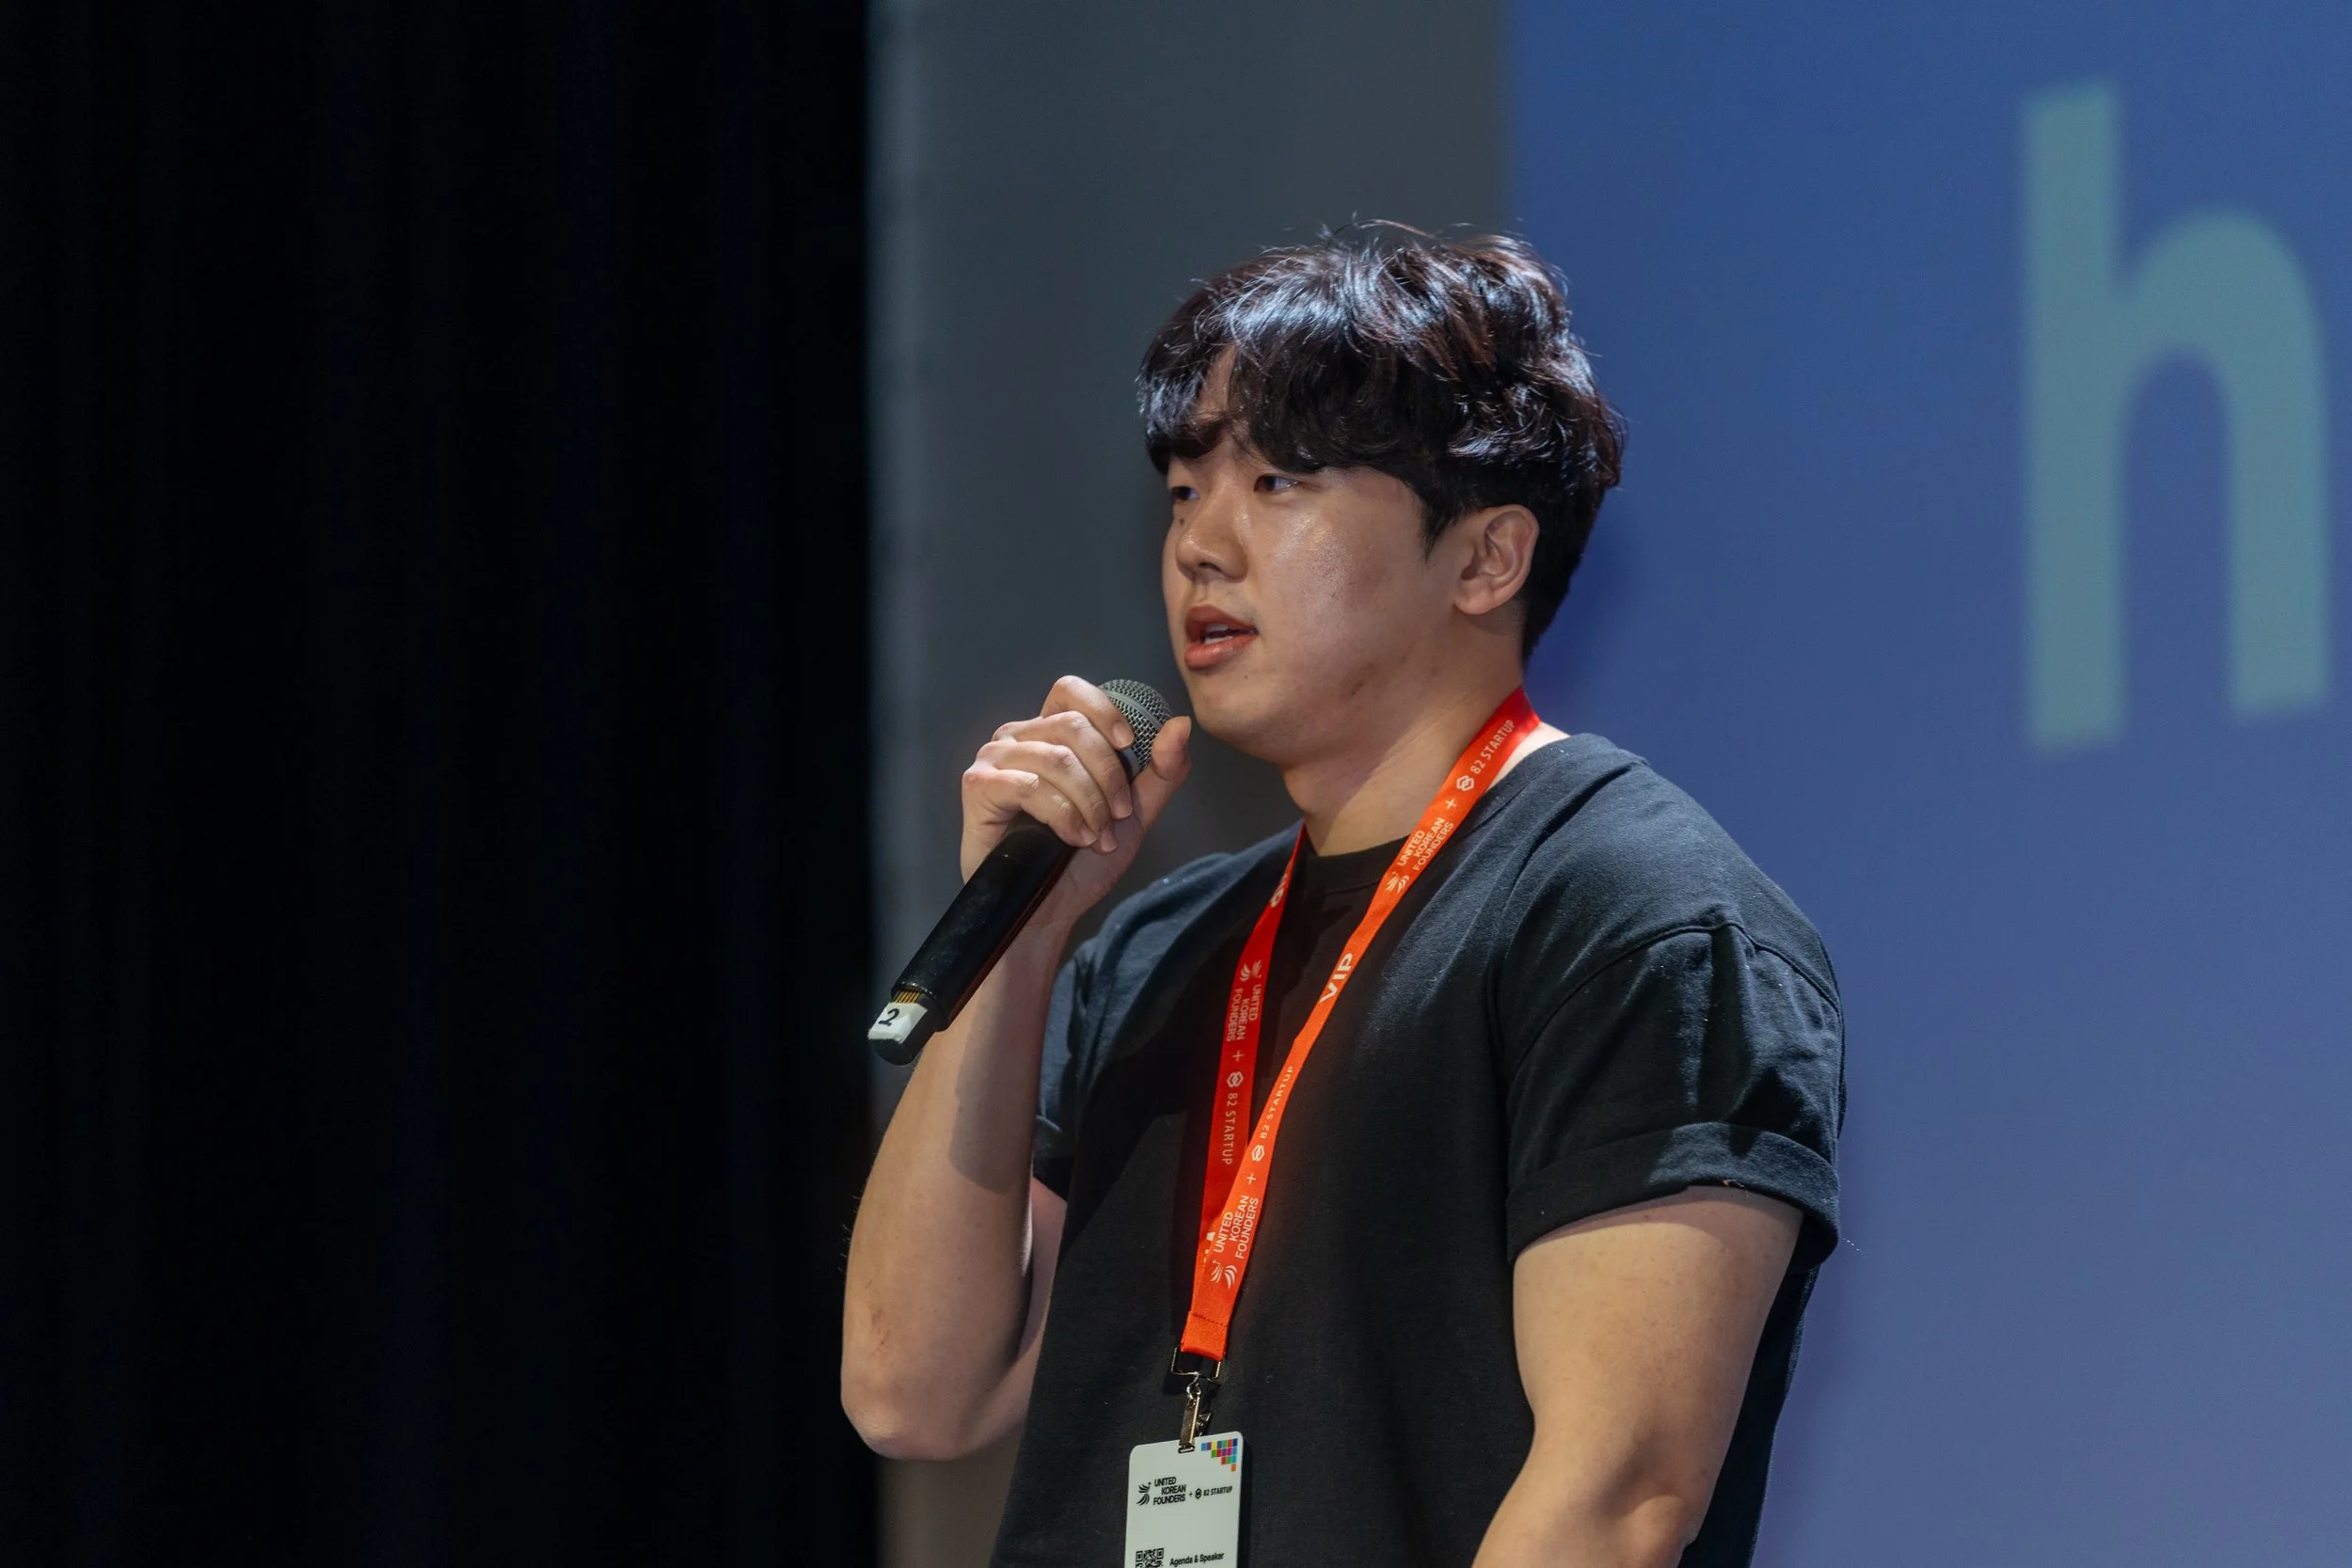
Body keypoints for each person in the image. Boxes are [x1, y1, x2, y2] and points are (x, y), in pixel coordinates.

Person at [842, 225, 1844, 1568]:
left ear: (1485, 559)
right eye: (1187, 487)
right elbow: (912, 1382)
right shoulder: (1152, 946)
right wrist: (1019, 943)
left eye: (1276, 479)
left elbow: (1616, 1498)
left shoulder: (1636, 913)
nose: (1202, 542)